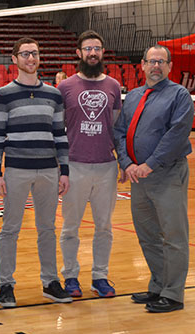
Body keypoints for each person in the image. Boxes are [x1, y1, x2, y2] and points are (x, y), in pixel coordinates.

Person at [0, 37, 72, 308]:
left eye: (34, 54)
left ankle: (50, 282)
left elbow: (60, 134)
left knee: (47, 228)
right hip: (16, 169)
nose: (30, 58)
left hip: (49, 170)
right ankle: (6, 284)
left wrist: (65, 170)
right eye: (24, 54)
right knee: (10, 228)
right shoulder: (4, 94)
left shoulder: (53, 93)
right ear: (14, 59)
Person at [114, 45, 194, 313]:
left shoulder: (179, 95)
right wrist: (127, 164)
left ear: (170, 67)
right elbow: (120, 132)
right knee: (147, 235)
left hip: (166, 173)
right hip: (138, 177)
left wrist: (149, 164)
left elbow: (177, 134)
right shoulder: (134, 96)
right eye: (151, 61)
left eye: (162, 62)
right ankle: (158, 284)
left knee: (173, 235)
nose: (156, 66)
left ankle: (173, 293)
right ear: (143, 65)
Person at [58, 30, 122, 299]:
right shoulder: (65, 87)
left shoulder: (114, 86)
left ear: (102, 52)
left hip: (106, 166)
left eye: (97, 48)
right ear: (79, 53)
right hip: (75, 166)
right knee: (70, 226)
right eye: (88, 48)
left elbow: (116, 125)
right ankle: (70, 276)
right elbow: (57, 128)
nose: (93, 53)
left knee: (104, 227)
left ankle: (100, 276)